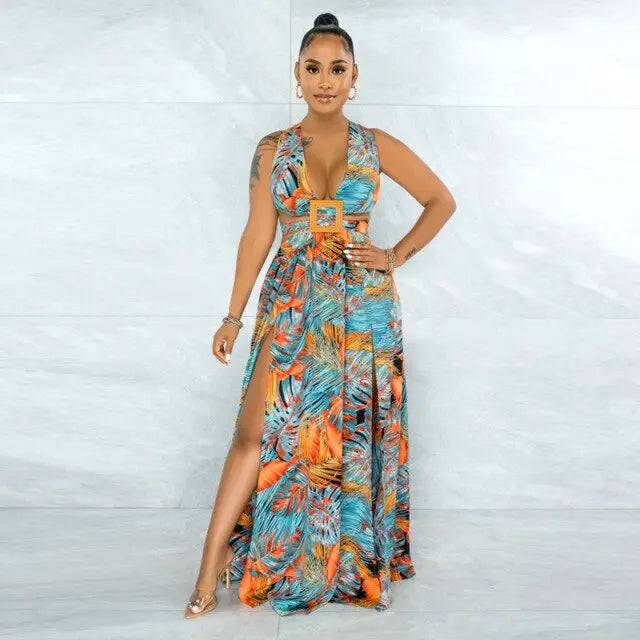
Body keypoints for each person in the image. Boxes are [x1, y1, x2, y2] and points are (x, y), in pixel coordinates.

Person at [185, 12, 456, 619]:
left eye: (337, 69)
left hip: (363, 307)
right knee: (255, 432)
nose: (325, 80)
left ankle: (342, 559)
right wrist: (232, 316)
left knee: (351, 436)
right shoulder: (272, 149)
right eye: (314, 68)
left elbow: (441, 201)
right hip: (292, 298)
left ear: (354, 77)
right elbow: (258, 234)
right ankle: (208, 566)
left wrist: (394, 256)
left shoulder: (375, 145)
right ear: (297, 74)